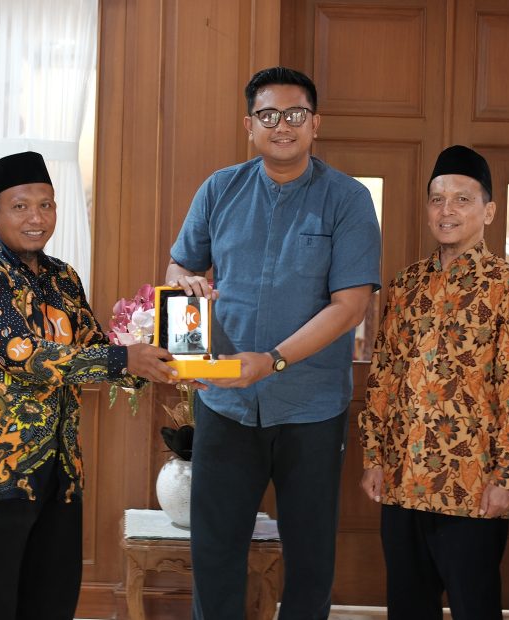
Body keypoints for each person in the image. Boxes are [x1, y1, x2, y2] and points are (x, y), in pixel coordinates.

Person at [167, 66, 381, 619]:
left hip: (310, 407)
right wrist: (187, 292)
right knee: (215, 552)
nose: (281, 125)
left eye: (294, 114)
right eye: (267, 115)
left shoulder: (348, 199)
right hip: (225, 401)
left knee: (310, 559)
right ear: (249, 125)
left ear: (315, 123)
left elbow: (351, 305)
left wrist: (273, 361)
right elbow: (179, 268)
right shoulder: (220, 188)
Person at [0, 151, 183, 619]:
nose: (36, 218)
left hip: (63, 470)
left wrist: (163, 356)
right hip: (0, 469)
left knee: (53, 600)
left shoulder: (63, 277)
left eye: (46, 205)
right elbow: (25, 355)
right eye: (20, 207)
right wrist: (124, 358)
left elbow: (95, 348)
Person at [359, 145, 509, 620]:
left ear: (488, 211)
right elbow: (383, 375)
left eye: (462, 199)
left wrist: (507, 476)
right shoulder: (406, 285)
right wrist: (373, 457)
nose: (447, 211)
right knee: (407, 609)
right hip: (402, 482)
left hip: (473, 487)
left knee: (475, 608)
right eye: (437, 199)